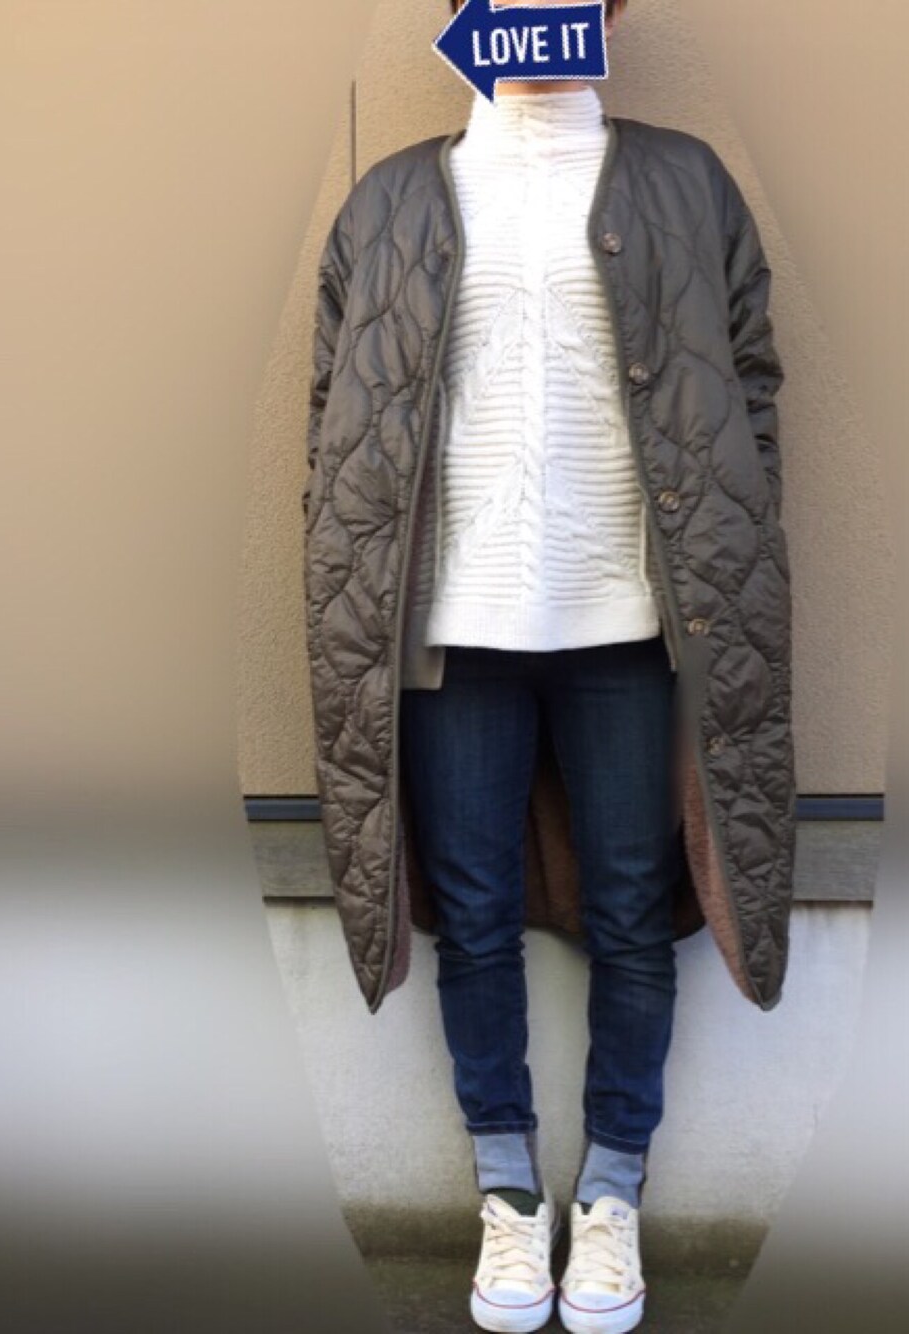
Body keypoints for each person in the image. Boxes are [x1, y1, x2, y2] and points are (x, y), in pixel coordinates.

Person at [301, 2, 794, 1331]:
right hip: (455, 632)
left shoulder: (684, 181)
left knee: (633, 909)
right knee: (473, 916)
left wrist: (736, 535)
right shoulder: (394, 198)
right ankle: (510, 1197)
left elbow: (749, 382)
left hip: (627, 623)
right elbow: (336, 409)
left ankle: (613, 1195)